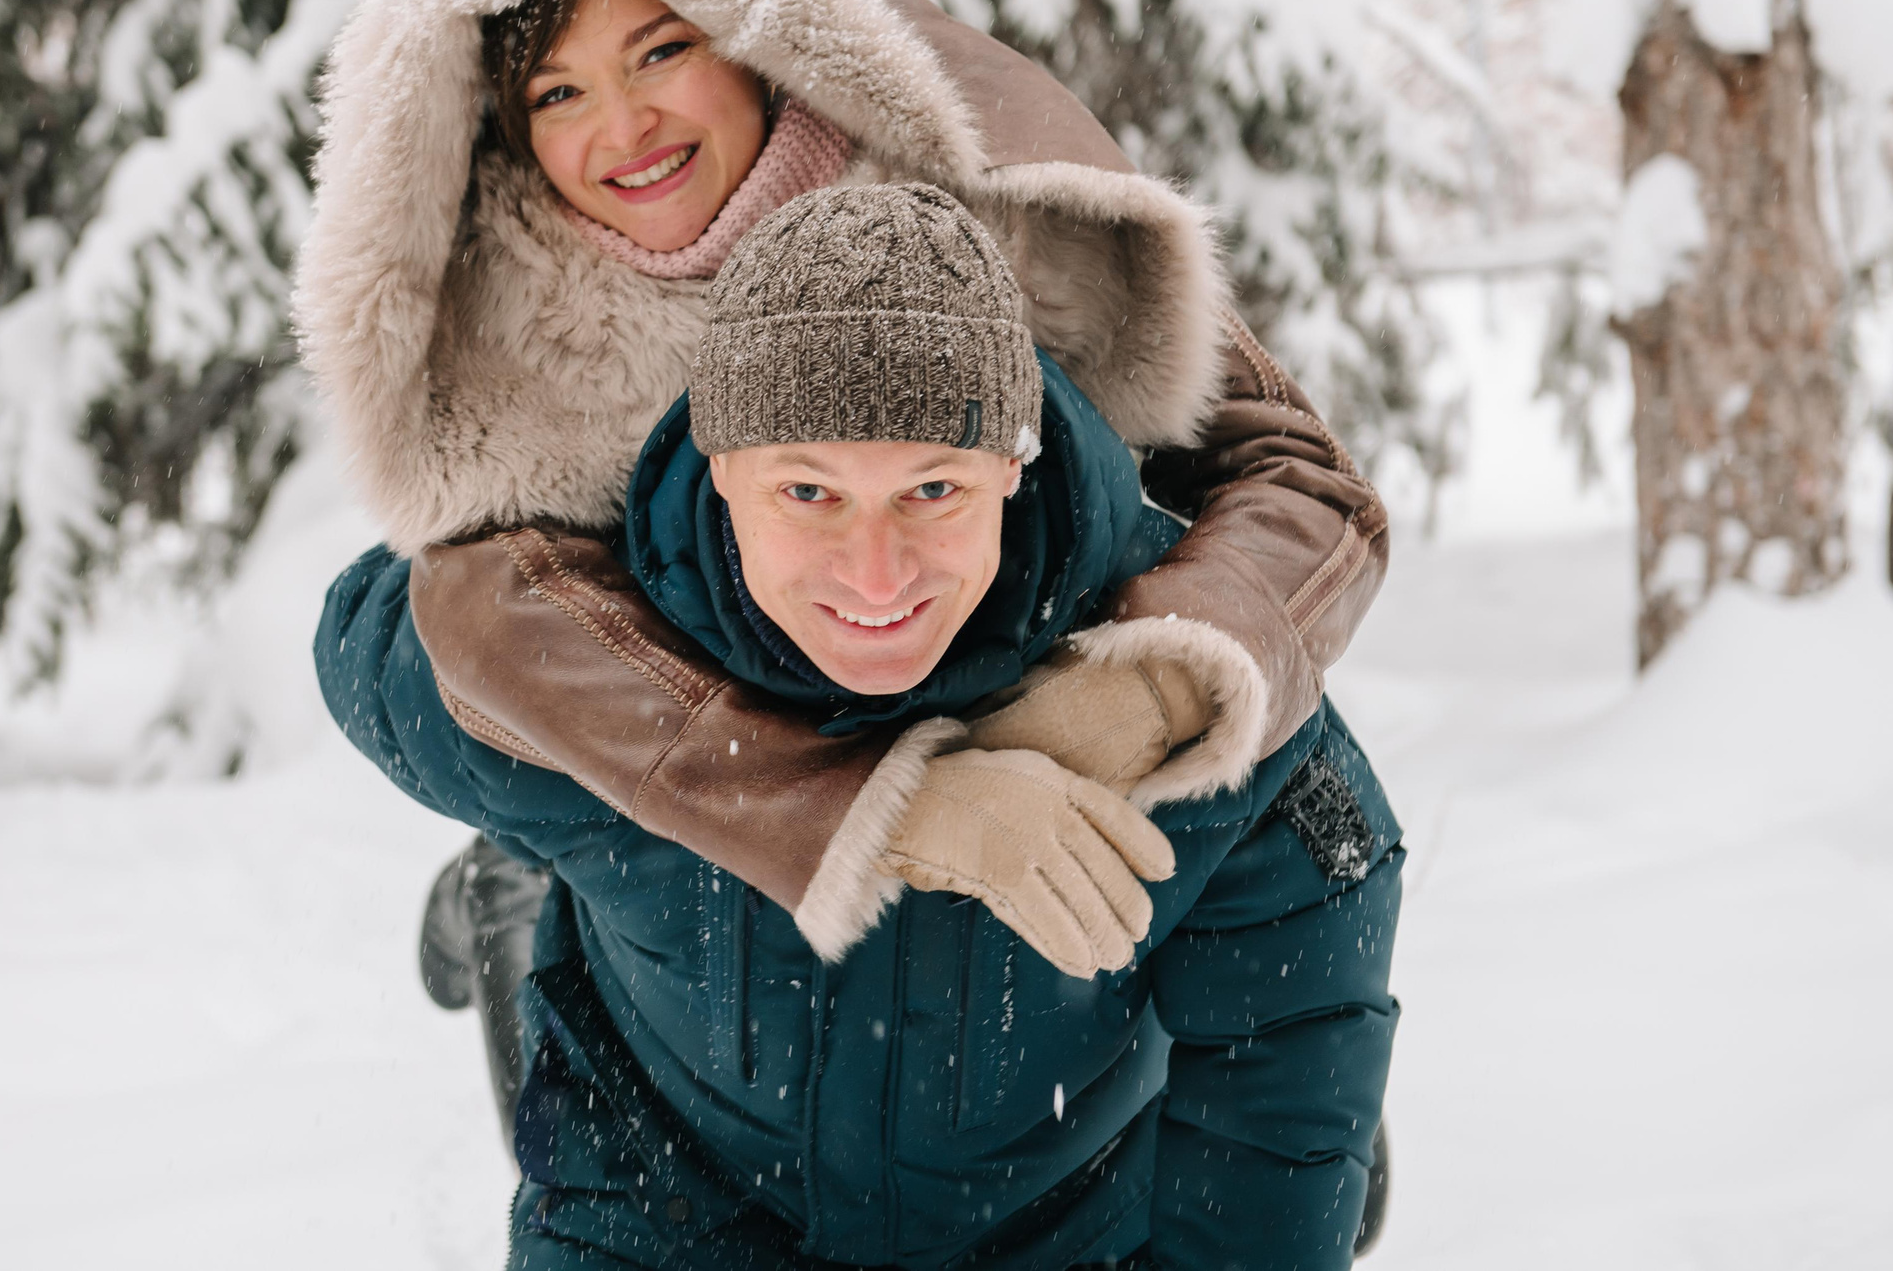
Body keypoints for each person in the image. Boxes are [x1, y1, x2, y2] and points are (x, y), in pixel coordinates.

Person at [318, 183, 1400, 1268]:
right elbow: (370, 640)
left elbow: (1293, 1018)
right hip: (666, 1199)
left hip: (1054, 1225)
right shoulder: (610, 642)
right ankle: (516, 879)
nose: (875, 575)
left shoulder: (1168, 667)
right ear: (724, 467)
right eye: (808, 493)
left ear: (1012, 462)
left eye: (932, 489)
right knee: (565, 867)